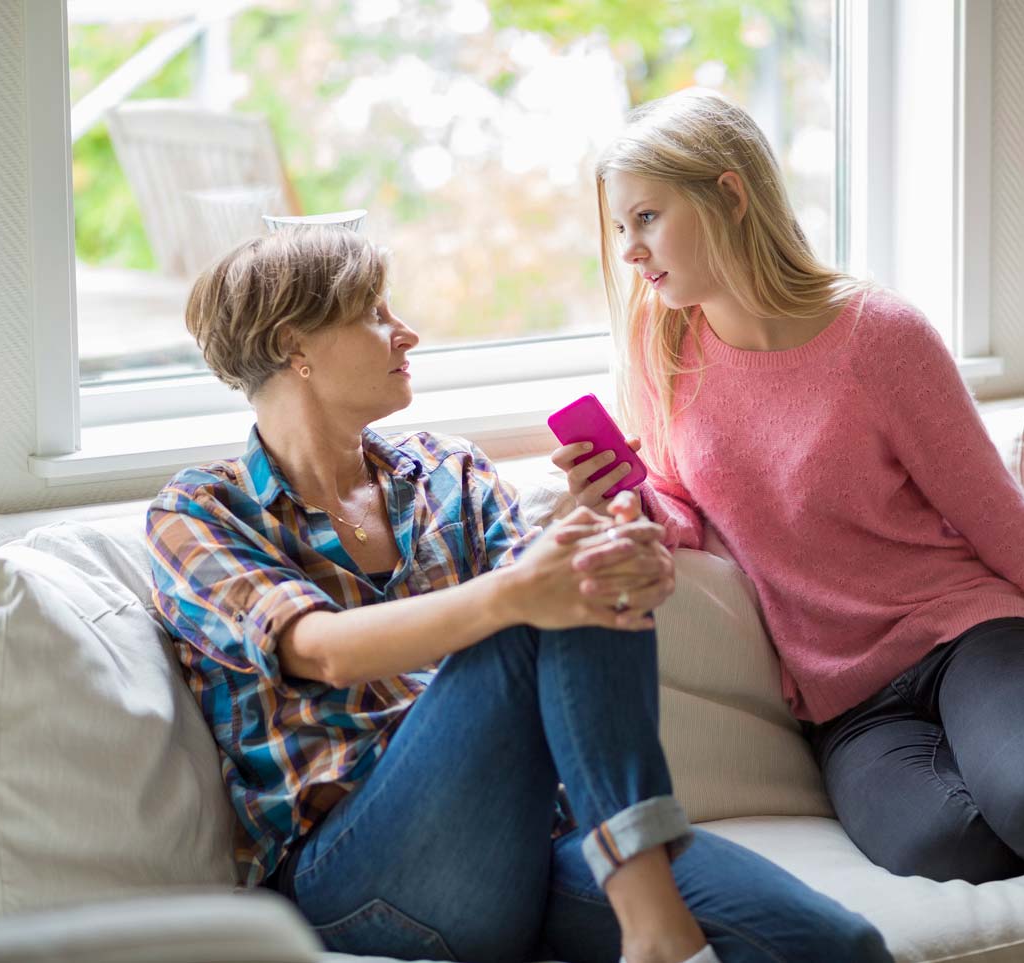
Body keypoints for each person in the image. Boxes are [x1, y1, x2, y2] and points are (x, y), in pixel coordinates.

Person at [554, 88, 1024, 886]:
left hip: (970, 634)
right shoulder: (663, 346)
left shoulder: (880, 337)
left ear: (730, 194)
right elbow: (683, 505)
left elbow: (1010, 527)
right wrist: (621, 495)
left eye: (645, 217)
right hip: (848, 700)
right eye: (618, 228)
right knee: (951, 846)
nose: (630, 251)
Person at [146, 225, 891, 963]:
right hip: (359, 879)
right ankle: (655, 928)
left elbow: (559, 627)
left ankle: (652, 916)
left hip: (528, 844)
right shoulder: (201, 511)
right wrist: (538, 583)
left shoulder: (449, 472)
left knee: (835, 943)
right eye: (374, 312)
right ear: (293, 347)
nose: (406, 332)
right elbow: (323, 652)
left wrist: (623, 558)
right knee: (558, 586)